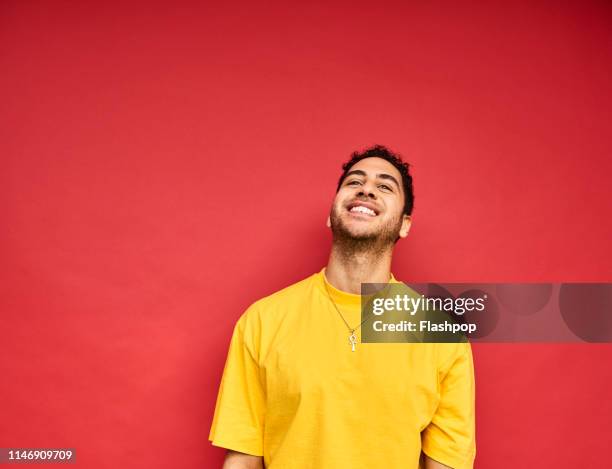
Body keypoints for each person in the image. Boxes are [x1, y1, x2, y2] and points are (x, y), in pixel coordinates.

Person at [209, 145, 476, 469]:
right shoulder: (262, 321)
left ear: (405, 225)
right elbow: (242, 459)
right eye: (354, 182)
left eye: (384, 186)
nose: (366, 189)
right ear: (331, 212)